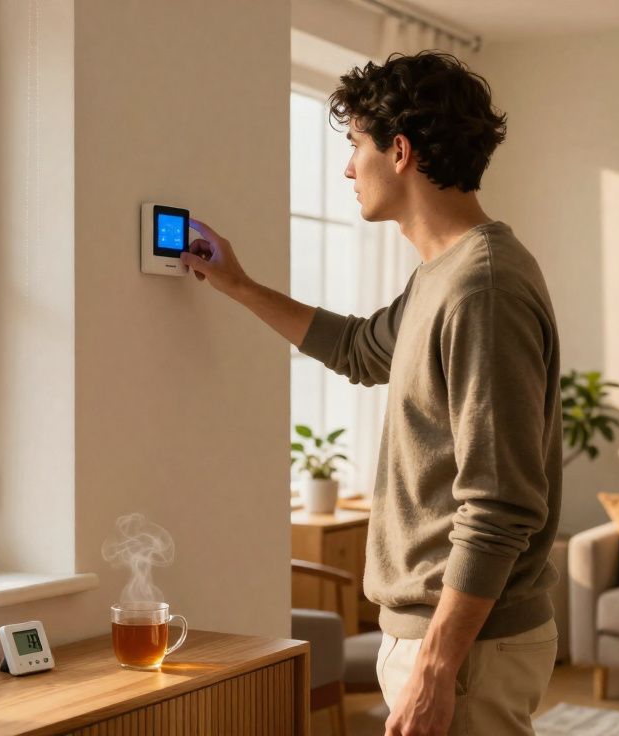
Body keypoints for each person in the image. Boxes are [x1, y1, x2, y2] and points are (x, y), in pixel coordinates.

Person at [183, 51, 561, 736]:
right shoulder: (440, 276)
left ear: (400, 151)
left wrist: (439, 668)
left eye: (356, 145)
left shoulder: (484, 286)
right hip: (444, 635)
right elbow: (360, 350)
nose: (347, 167)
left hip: (466, 643)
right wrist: (239, 286)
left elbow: (503, 502)